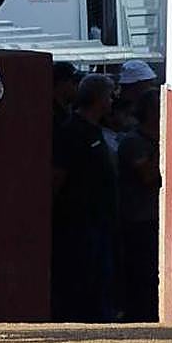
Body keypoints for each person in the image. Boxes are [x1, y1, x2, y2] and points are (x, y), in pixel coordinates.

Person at [52, 73, 118, 322]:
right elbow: (57, 176)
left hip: (100, 220)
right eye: (109, 96)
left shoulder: (95, 130)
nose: (112, 102)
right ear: (99, 99)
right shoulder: (73, 131)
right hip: (78, 222)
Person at [117, 88, 160, 321]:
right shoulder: (133, 142)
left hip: (154, 218)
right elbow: (148, 175)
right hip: (137, 221)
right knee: (139, 274)